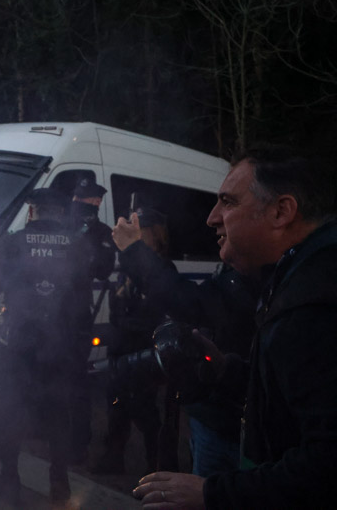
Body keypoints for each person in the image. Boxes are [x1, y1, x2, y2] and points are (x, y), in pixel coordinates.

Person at [134, 147, 337, 509]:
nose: (211, 219)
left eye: (227, 202)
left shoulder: (314, 304)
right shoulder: (297, 273)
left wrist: (212, 493)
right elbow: (290, 398)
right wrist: (228, 371)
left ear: (281, 212)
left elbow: (326, 460)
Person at [112, 208, 259, 478]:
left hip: (243, 425)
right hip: (213, 417)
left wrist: (134, 251)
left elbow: (184, 302)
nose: (212, 218)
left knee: (152, 420)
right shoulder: (232, 272)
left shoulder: (267, 278)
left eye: (229, 203)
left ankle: (157, 466)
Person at [0, 187, 91, 505]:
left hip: (17, 345)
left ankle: (10, 479)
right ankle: (59, 483)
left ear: (33, 211)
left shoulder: (13, 243)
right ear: (61, 213)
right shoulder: (78, 246)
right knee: (57, 415)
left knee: (9, 410)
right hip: (60, 345)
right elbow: (85, 299)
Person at [91, 207, 167, 475]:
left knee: (146, 411)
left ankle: (157, 465)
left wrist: (127, 325)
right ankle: (114, 457)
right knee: (117, 406)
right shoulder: (127, 269)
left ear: (154, 237)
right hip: (121, 347)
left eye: (140, 234)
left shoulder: (160, 270)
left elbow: (154, 314)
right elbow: (117, 308)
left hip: (144, 351)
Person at [68, 175, 116, 462]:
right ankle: (65, 438)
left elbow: (102, 271)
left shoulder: (99, 232)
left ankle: (77, 442)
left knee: (73, 378)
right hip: (62, 313)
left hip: (72, 313)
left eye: (89, 200)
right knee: (66, 377)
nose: (86, 204)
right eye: (83, 199)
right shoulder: (68, 226)